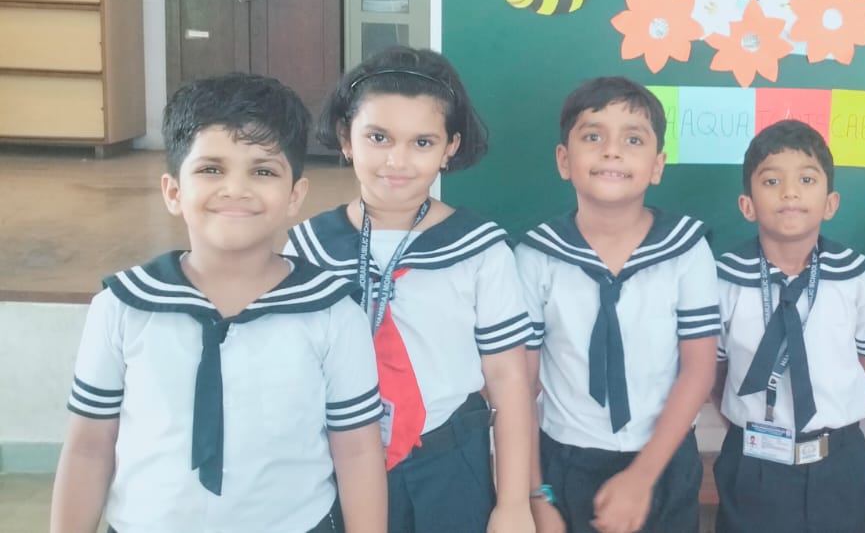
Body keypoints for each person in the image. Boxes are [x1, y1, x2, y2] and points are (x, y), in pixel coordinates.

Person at [49, 73, 386, 533]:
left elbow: (358, 450)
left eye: (263, 171)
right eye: (211, 169)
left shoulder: (331, 312)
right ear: (173, 191)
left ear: (295, 196)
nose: (235, 189)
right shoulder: (122, 306)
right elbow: (89, 447)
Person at [286, 47, 537, 533]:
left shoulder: (479, 248)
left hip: (450, 459)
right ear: (346, 138)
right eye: (378, 137)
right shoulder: (307, 248)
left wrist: (513, 504)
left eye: (422, 142)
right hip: (335, 460)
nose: (397, 160)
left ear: (449, 148)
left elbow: (508, 379)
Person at [516, 76, 717, 533]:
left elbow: (699, 370)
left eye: (633, 139)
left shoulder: (687, 250)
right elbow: (520, 386)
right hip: (564, 462)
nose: (612, 151)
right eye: (593, 137)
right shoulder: (536, 256)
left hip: (663, 458)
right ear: (564, 160)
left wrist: (641, 478)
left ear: (657, 165)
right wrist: (535, 496)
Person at [710, 120, 865, 532]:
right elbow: (715, 369)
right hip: (752, 458)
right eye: (771, 181)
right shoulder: (724, 278)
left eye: (806, 180)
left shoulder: (856, 275)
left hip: (837, 459)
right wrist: (751, 427)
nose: (790, 192)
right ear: (747, 205)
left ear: (830, 203)